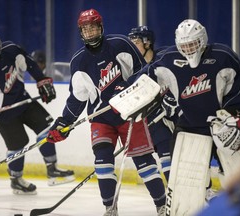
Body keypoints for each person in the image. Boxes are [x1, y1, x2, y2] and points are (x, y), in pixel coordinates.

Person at [46, 9, 167, 216]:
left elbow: (144, 72)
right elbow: (77, 98)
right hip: (101, 119)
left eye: (93, 27)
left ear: (101, 28)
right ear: (80, 32)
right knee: (102, 162)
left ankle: (162, 205)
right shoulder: (79, 61)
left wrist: (126, 87)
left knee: (144, 163)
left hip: (131, 113)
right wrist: (63, 122)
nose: (90, 32)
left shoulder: (121, 44)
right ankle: (110, 208)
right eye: (85, 29)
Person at [120, 19, 240, 215]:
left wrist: (232, 116)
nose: (189, 49)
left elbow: (238, 90)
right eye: (184, 45)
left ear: (202, 40)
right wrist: (127, 96)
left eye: (193, 44)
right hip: (189, 128)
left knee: (238, 177)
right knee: (185, 186)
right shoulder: (168, 59)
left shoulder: (223, 57)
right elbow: (144, 78)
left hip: (222, 126)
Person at [0, 24, 74, 195]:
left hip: (23, 100)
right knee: (18, 144)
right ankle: (17, 180)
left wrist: (41, 81)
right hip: (2, 113)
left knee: (47, 127)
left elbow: (30, 64)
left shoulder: (11, 49)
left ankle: (52, 169)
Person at [128, 26, 174, 182]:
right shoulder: (133, 68)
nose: (132, 46)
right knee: (164, 158)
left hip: (175, 118)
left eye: (136, 42)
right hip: (153, 120)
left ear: (147, 43)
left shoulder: (165, 58)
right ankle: (172, 196)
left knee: (178, 159)